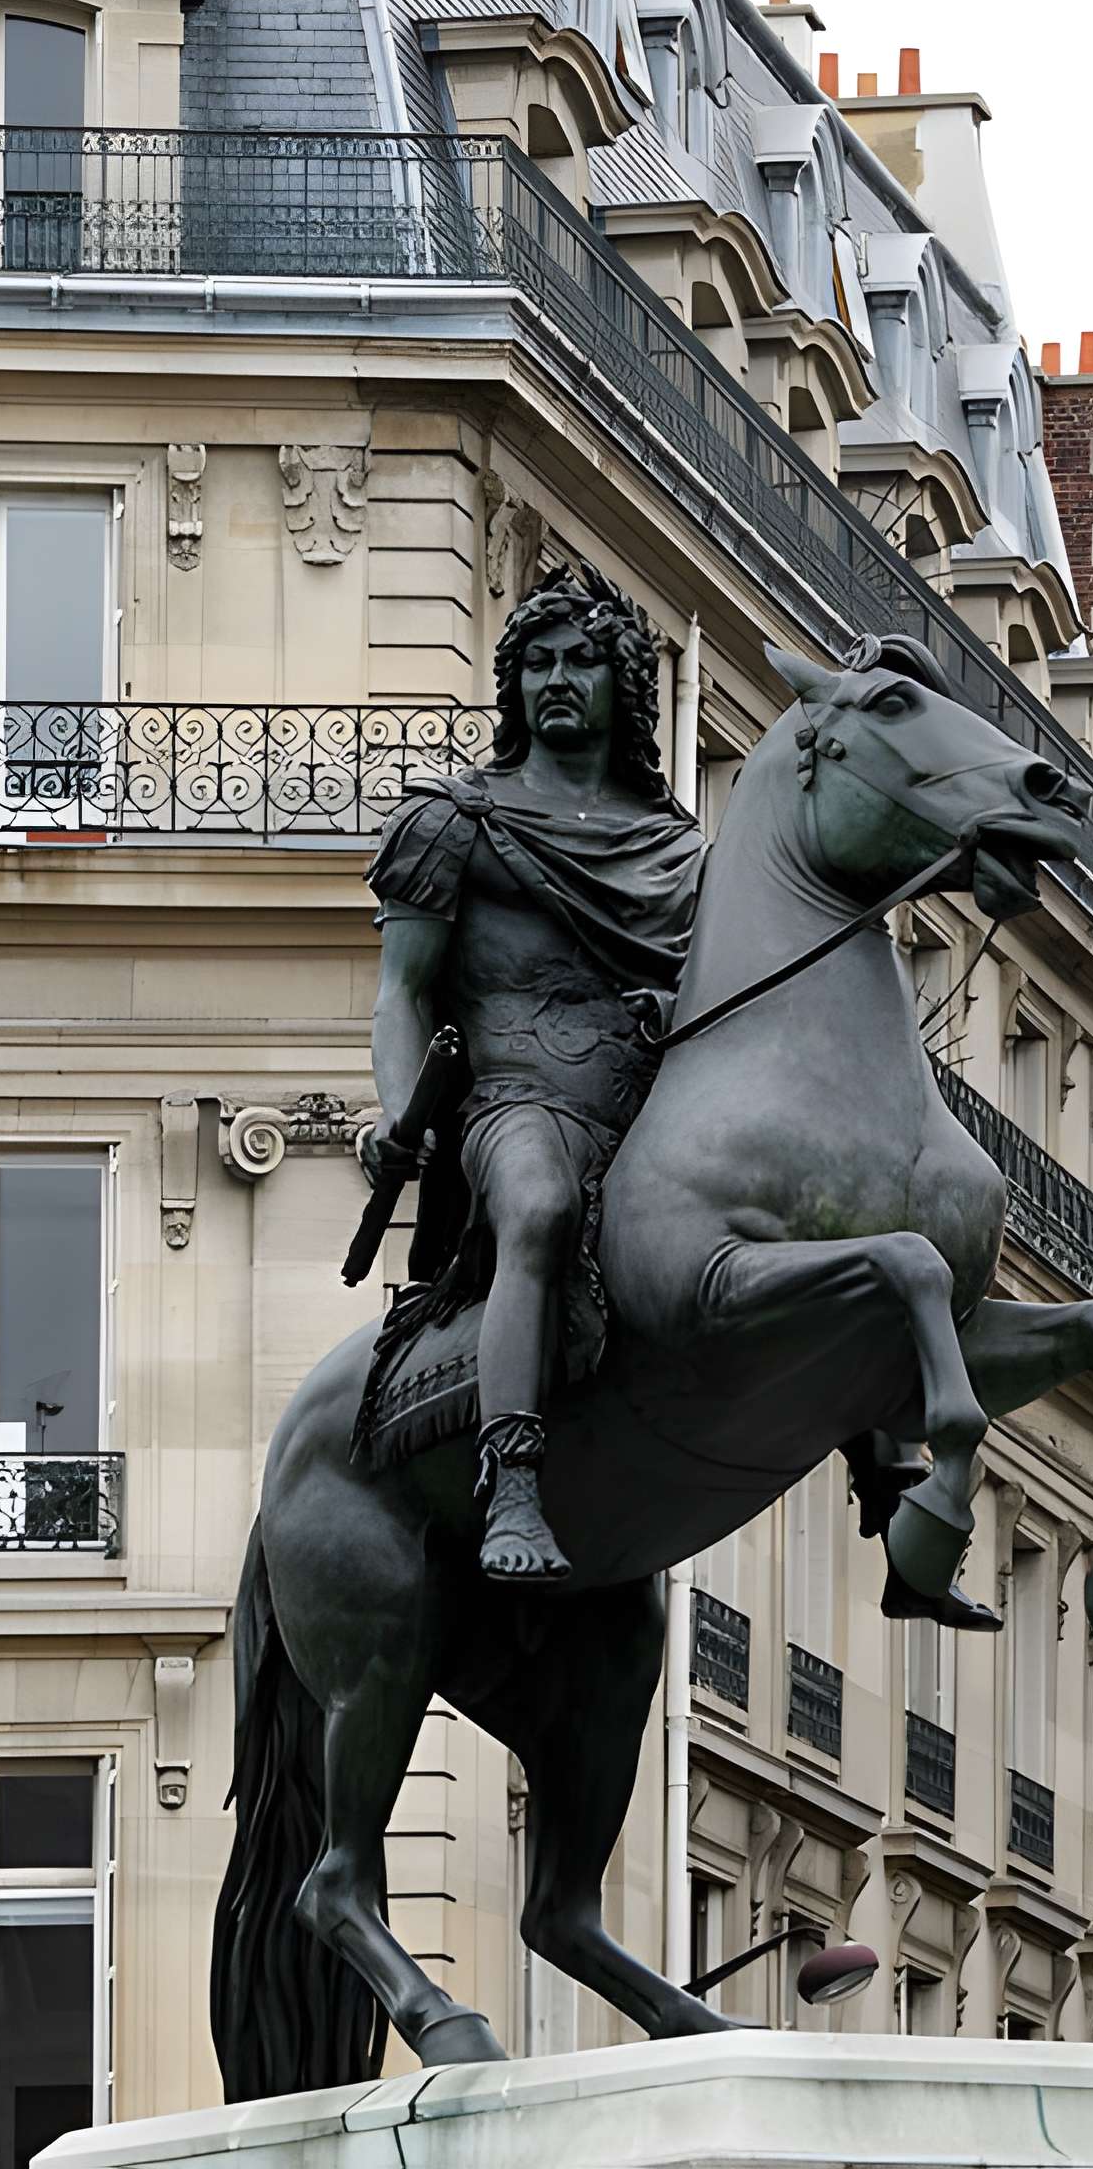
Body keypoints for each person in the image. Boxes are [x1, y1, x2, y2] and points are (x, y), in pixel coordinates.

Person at [365, 564, 703, 1581]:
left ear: (622, 688)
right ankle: (510, 1477)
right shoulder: (454, 821)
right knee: (543, 1206)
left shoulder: (677, 850)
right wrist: (400, 1111)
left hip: (650, 1102)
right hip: (517, 1096)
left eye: (581, 662)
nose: (556, 679)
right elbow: (402, 990)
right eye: (537, 663)